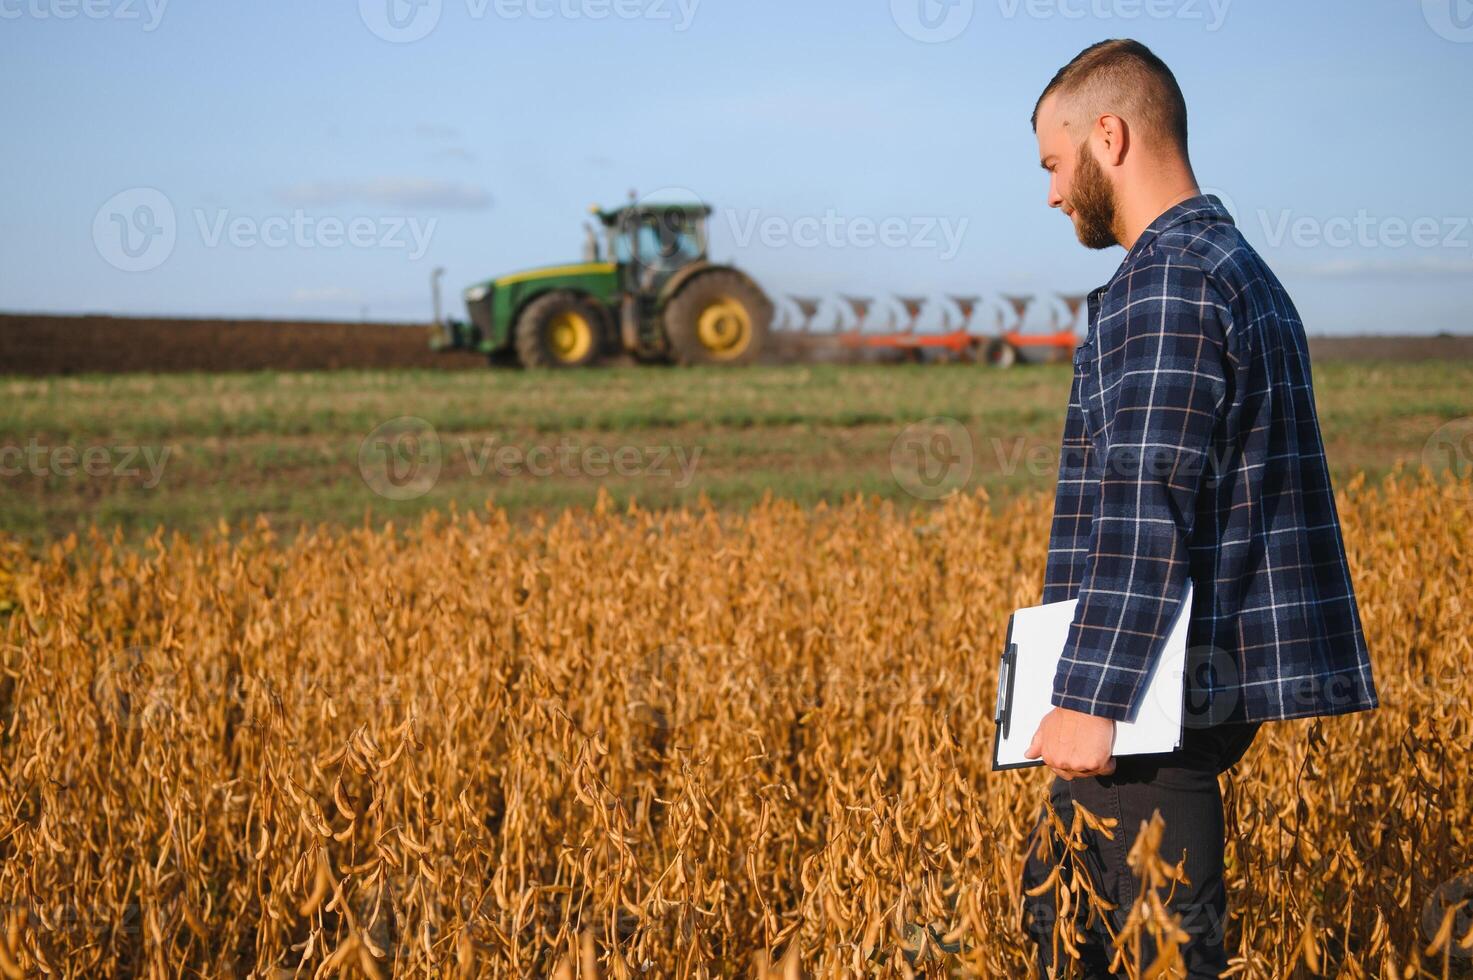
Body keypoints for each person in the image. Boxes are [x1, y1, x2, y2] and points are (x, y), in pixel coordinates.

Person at [1019, 39, 1379, 977]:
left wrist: (1088, 701)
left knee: (1127, 952)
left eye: (1054, 166)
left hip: (1145, 712)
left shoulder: (1167, 279)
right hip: (1180, 690)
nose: (1052, 195)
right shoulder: (1234, 264)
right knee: (1081, 928)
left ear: (1109, 135)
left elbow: (1148, 500)